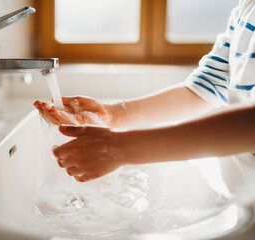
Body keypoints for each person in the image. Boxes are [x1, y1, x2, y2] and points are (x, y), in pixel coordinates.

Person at [34, 0, 255, 182]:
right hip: (243, 186)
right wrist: (112, 114)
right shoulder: (246, 7)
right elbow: (206, 86)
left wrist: (123, 148)